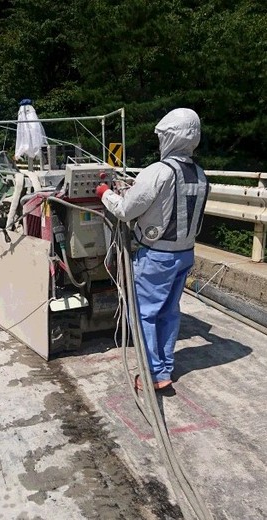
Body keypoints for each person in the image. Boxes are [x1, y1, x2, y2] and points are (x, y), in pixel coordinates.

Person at [96, 108, 209, 390]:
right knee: (169, 312)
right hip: (185, 254)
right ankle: (165, 368)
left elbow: (124, 209)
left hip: (157, 256)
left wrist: (103, 193)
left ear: (169, 137)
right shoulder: (199, 174)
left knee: (144, 313)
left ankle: (153, 374)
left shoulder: (158, 171)